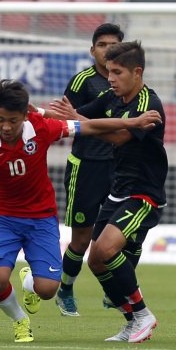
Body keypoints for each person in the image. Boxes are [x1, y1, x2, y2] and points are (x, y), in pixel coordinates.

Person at [0, 79, 161, 343]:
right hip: (4, 219)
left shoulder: (42, 128)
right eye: (0, 119)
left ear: (26, 115)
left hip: (41, 219)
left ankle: (29, 282)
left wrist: (132, 122)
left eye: (12, 120)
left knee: (47, 290)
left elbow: (90, 126)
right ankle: (20, 320)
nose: (5, 126)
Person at [50, 41, 167, 343]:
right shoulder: (110, 97)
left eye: (117, 72)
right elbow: (75, 117)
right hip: (118, 191)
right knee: (95, 260)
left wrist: (78, 119)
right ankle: (131, 321)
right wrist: (44, 113)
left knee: (104, 250)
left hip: (143, 194)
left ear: (137, 72)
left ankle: (142, 313)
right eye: (109, 71)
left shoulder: (148, 104)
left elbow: (117, 136)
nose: (110, 77)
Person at [55, 23, 125, 317]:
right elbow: (68, 124)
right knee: (82, 238)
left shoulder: (126, 83)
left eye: (113, 44)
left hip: (120, 167)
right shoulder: (81, 81)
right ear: (92, 50)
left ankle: (115, 290)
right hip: (86, 167)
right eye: (102, 44)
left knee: (123, 236)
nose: (107, 49)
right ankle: (66, 289)